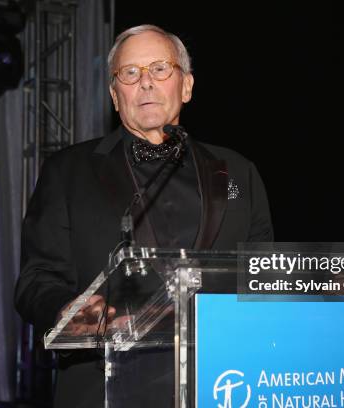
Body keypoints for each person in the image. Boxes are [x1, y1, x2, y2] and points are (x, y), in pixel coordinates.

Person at [14, 24, 273, 407]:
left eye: (160, 69)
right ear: (115, 96)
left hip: (223, 385)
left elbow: (262, 274)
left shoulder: (237, 173)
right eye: (130, 73)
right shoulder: (67, 172)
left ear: (186, 86)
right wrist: (68, 308)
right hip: (105, 387)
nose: (146, 83)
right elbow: (35, 280)